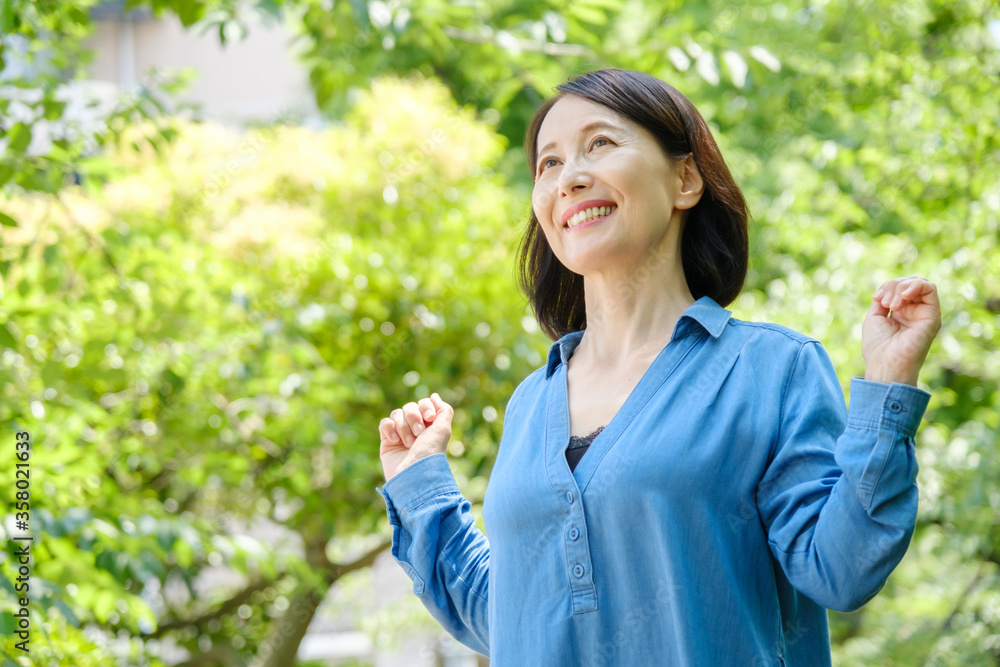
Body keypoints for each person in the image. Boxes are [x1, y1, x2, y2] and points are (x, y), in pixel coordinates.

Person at [375, 68, 941, 666]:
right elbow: (511, 618)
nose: (570, 177)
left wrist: (886, 386)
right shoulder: (530, 403)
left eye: (600, 144)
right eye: (549, 163)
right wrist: (420, 486)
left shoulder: (772, 370)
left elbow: (840, 571)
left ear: (685, 179)